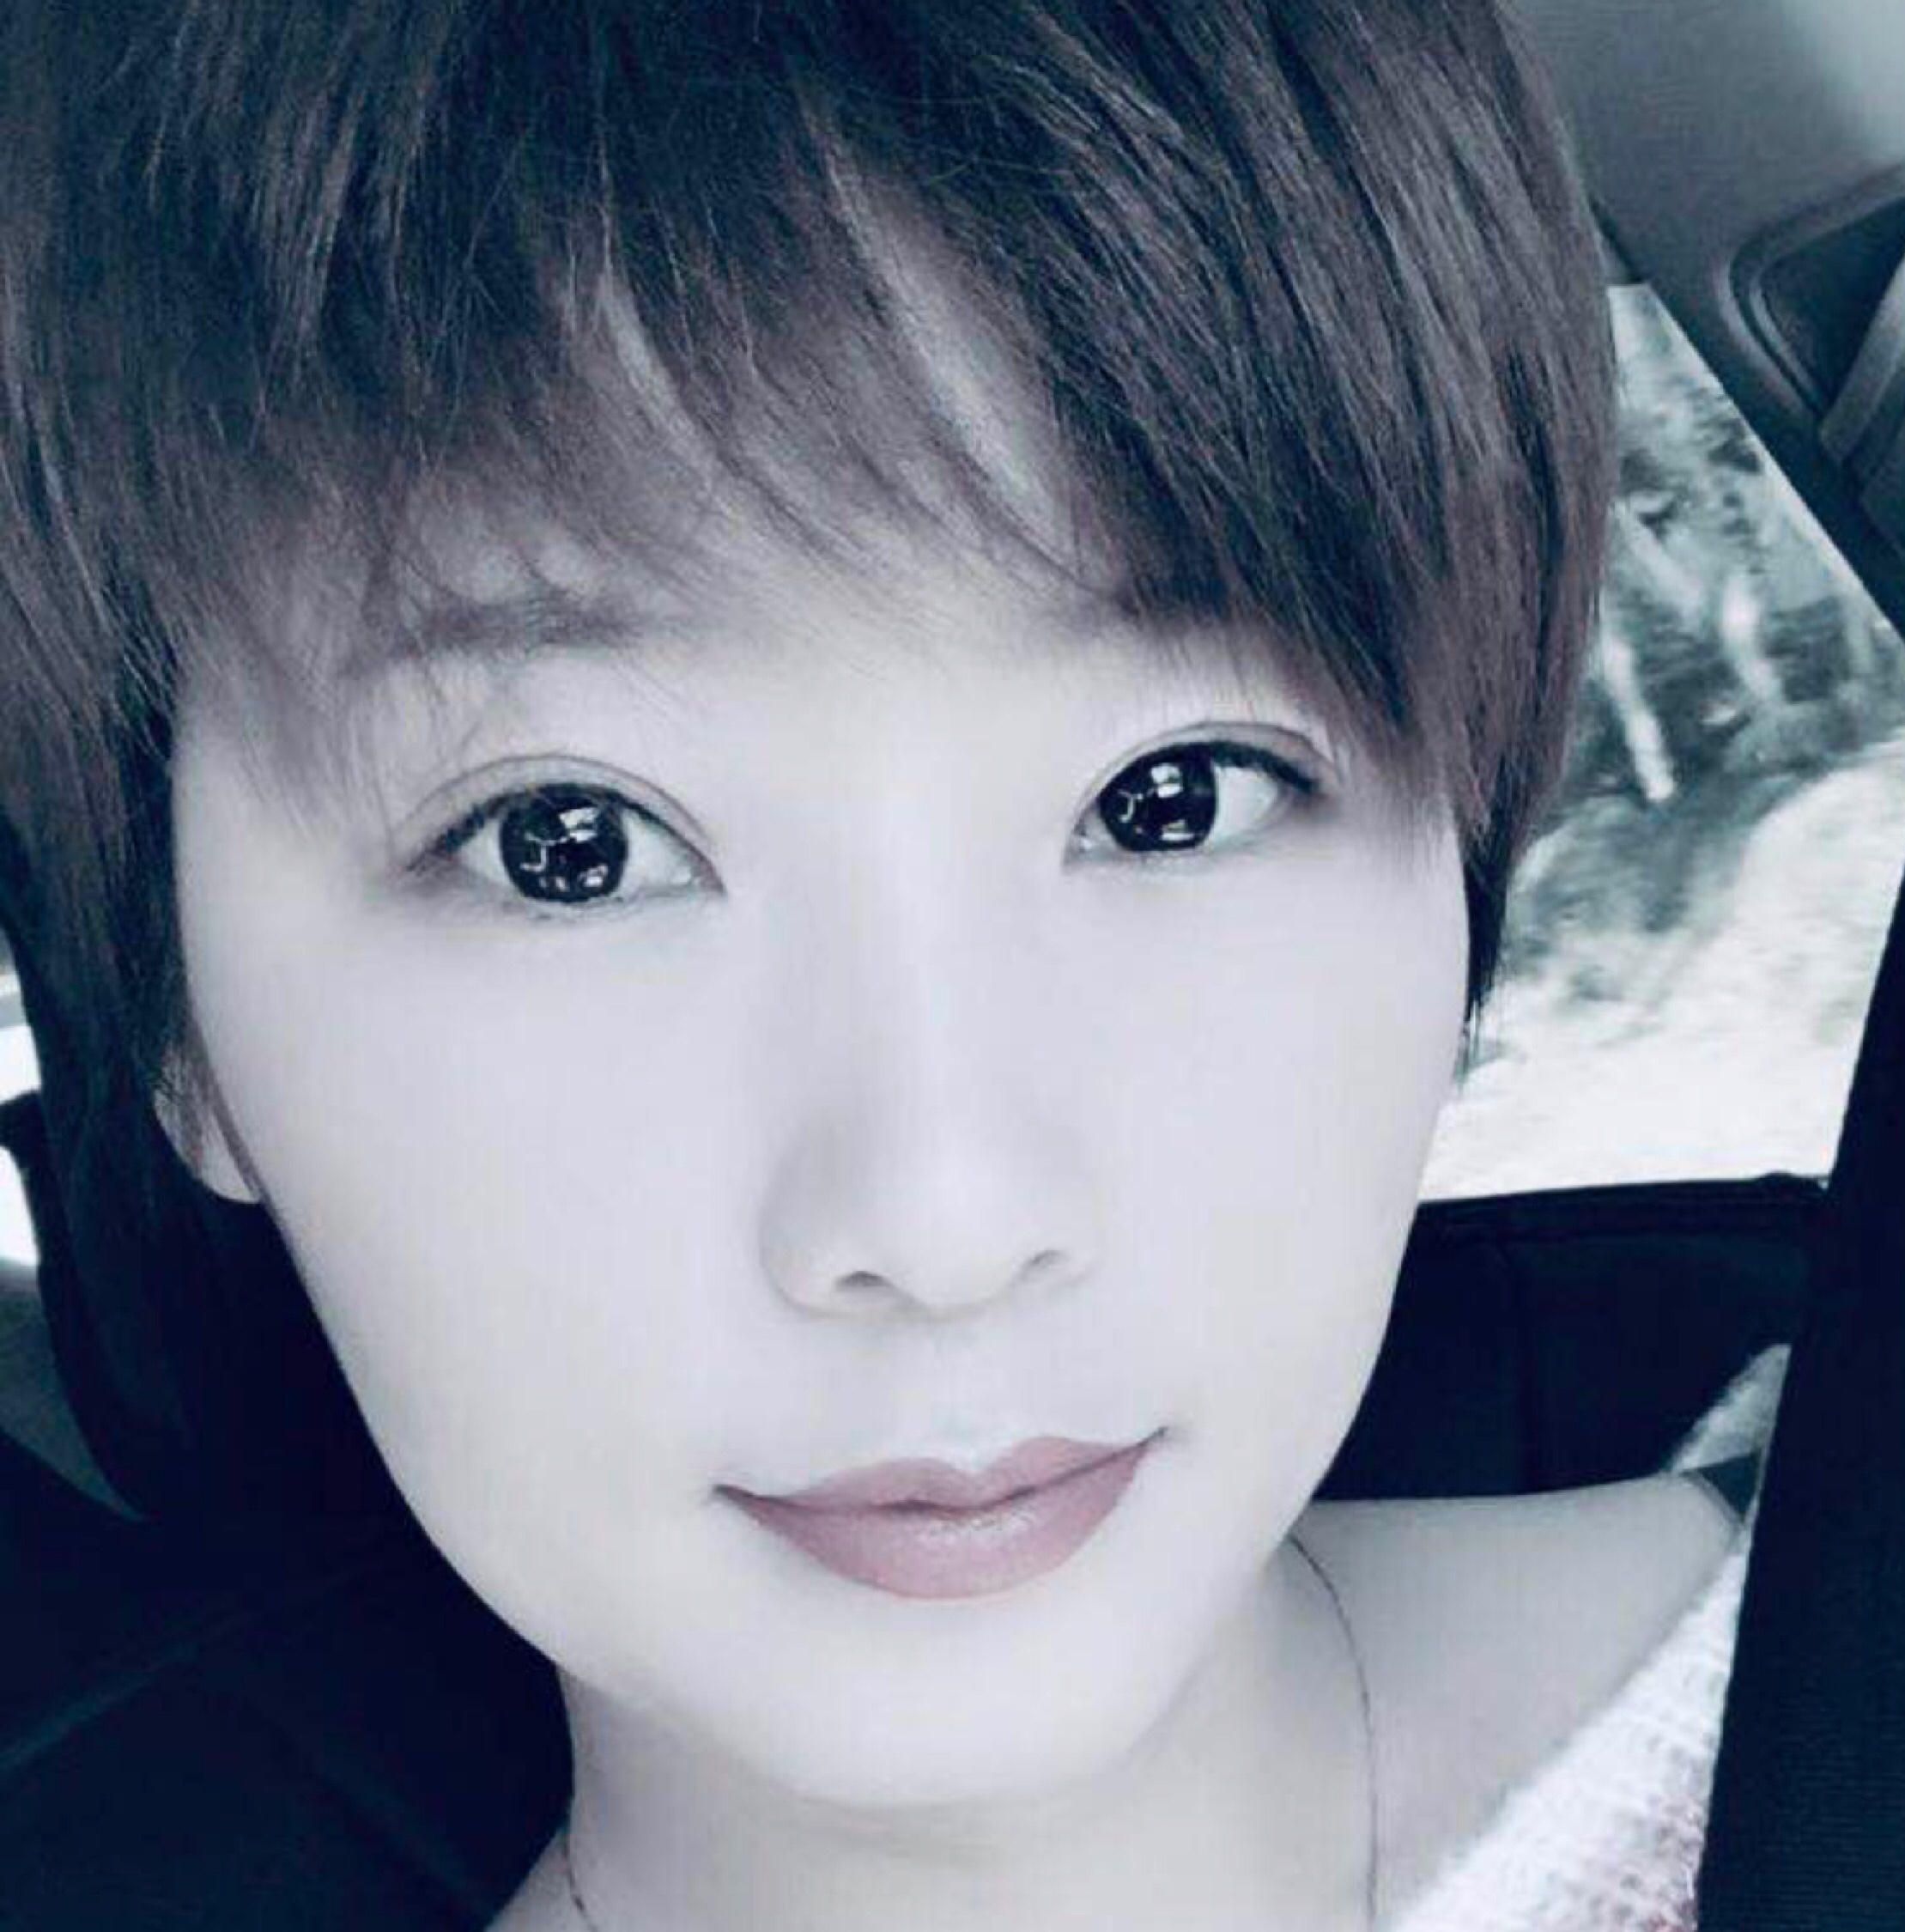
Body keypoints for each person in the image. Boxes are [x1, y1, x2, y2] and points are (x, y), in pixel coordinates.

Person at [0, 1, 1786, 1926]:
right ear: (176, 1014)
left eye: (1175, 797)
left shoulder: (1862, 1671)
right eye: (566, 844)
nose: (945, 1221)